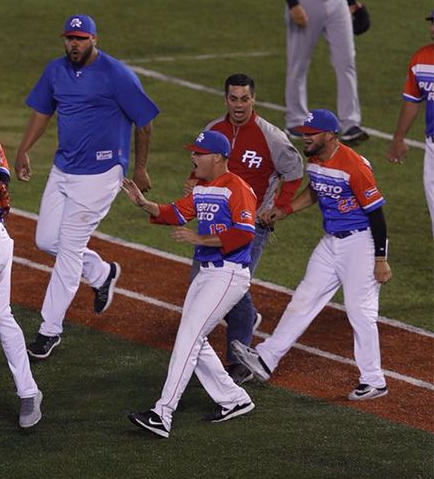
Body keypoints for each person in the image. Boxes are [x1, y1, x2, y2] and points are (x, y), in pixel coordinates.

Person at [15, 14, 160, 361]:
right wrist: (23, 149)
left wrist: (139, 167)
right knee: (46, 240)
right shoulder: (56, 70)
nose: (74, 44)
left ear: (94, 39)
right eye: (69, 38)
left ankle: (49, 331)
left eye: (80, 38)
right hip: (64, 168)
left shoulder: (117, 74)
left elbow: (144, 122)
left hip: (101, 174)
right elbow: (42, 111)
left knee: (67, 250)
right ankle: (101, 272)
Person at [231, 109, 392, 401]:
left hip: (363, 244)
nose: (305, 138)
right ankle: (267, 359)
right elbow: (315, 190)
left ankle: (374, 380)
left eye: (311, 133)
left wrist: (380, 259)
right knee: (303, 299)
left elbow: (376, 213)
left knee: (360, 312)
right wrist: (285, 209)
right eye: (304, 133)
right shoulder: (316, 161)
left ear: (330, 135)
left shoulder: (354, 166)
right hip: (331, 243)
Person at [122, 131, 257, 438]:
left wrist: (201, 238)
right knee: (194, 336)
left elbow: (245, 232)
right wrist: (143, 203)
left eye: (199, 153)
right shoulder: (203, 189)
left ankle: (162, 413)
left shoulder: (237, 187)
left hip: (229, 273)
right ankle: (233, 399)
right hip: (207, 273)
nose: (193, 158)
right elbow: (175, 213)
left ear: (218, 158)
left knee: (189, 337)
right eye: (194, 152)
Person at [188, 74, 303, 383]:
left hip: (249, 227)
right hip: (213, 225)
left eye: (244, 99)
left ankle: (238, 357)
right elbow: (199, 167)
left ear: (254, 99)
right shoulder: (214, 130)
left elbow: (294, 171)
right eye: (233, 99)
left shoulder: (271, 138)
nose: (239, 105)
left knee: (232, 289)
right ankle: (248, 321)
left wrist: (278, 207)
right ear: (226, 99)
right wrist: (195, 185)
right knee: (201, 283)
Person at [279, 0, 367, 143]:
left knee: (347, 62)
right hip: (305, 0)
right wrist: (293, 4)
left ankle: (351, 123)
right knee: (299, 64)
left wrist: (351, 2)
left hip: (337, 0)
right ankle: (295, 120)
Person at [386, 9, 434, 237]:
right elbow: (413, 101)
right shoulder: (421, 60)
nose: (433, 28)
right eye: (432, 23)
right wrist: (398, 137)